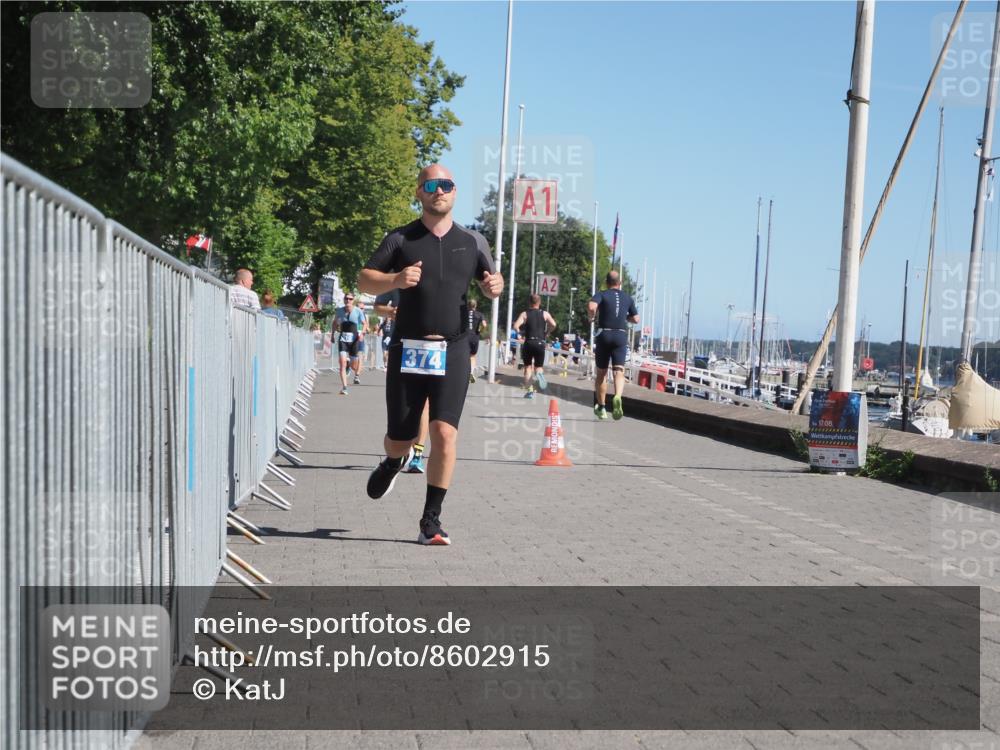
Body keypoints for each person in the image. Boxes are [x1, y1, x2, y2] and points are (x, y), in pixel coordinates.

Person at [358, 164, 503, 545]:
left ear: (455, 193)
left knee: (444, 433)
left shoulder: (473, 241)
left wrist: (495, 286)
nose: (439, 190)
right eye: (431, 185)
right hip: (409, 348)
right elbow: (363, 279)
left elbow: (492, 283)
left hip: (454, 348)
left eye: (447, 185)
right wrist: (393, 280)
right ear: (420, 193)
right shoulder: (401, 239)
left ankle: (430, 522)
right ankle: (393, 461)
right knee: (400, 437)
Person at [588, 271, 639, 420]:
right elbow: (636, 319)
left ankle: (602, 407)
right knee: (619, 371)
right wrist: (625, 316)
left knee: (601, 374)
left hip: (604, 334)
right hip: (620, 335)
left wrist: (591, 317)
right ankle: (617, 396)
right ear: (620, 282)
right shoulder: (628, 298)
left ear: (607, 281)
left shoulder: (602, 294)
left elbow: (592, 307)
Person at [512, 294, 556, 399]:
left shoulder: (525, 314)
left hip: (529, 342)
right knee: (538, 367)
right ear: (539, 302)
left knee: (527, 367)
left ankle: (530, 390)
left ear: (529, 302)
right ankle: (539, 374)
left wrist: (520, 333)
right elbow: (554, 324)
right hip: (540, 343)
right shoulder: (545, 314)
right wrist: (547, 332)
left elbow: (515, 326)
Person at [334, 292, 366, 396]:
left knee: (354, 366)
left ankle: (349, 365)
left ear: (353, 300)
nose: (348, 300)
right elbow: (335, 322)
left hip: (354, 340)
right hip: (343, 339)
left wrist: (362, 334)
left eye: (350, 299)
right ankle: (344, 387)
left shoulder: (357, 311)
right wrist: (332, 335)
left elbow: (364, 324)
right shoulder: (339, 311)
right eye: (346, 298)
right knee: (341, 363)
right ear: (344, 299)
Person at [466, 299, 486, 383]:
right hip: (474, 337)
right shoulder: (480, 314)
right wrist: (480, 330)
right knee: (472, 356)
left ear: (468, 305)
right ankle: (471, 372)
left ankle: (463, 372)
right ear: (476, 305)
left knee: (463, 355)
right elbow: (484, 325)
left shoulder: (464, 313)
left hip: (465, 337)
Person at [354, 300, 369, 383]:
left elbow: (367, 326)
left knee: (360, 357)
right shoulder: (352, 315)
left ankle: (357, 376)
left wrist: (365, 330)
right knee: (353, 359)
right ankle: (349, 365)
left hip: (361, 338)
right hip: (352, 338)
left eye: (363, 309)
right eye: (360, 308)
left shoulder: (365, 317)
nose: (362, 310)